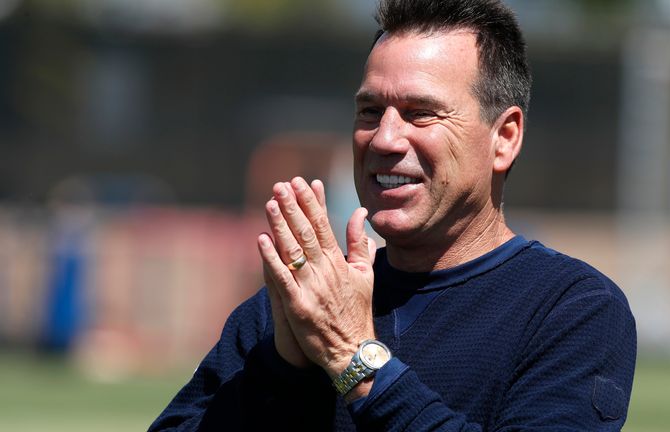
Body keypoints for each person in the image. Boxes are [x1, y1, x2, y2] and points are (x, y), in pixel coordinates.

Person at [149, 0, 636, 430]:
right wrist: (282, 370)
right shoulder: (305, 303)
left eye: (420, 112)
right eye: (369, 111)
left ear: (504, 137)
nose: (383, 138)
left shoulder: (572, 310)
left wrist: (356, 361)